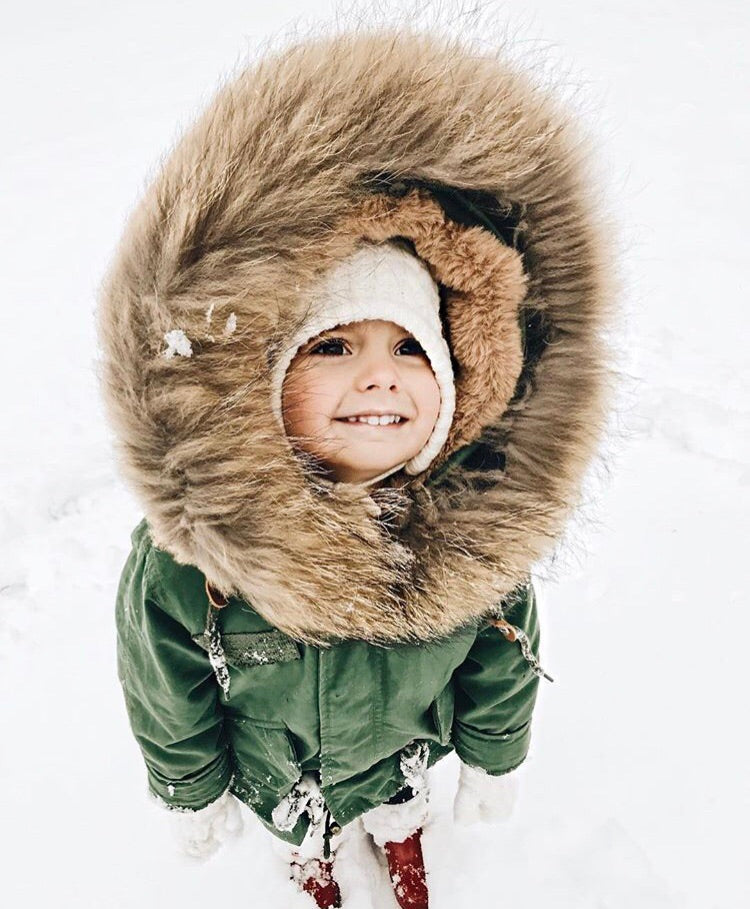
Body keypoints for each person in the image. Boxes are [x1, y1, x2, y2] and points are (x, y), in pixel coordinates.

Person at [97, 26, 615, 909]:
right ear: (262, 382)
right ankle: (314, 855)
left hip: (400, 751)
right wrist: (190, 784)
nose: (380, 375)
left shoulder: (473, 542)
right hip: (278, 771)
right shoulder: (200, 561)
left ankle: (398, 824)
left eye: (410, 348)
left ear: (461, 382)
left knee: (396, 791)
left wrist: (494, 756)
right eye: (334, 345)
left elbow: (502, 661)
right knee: (303, 823)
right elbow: (165, 683)